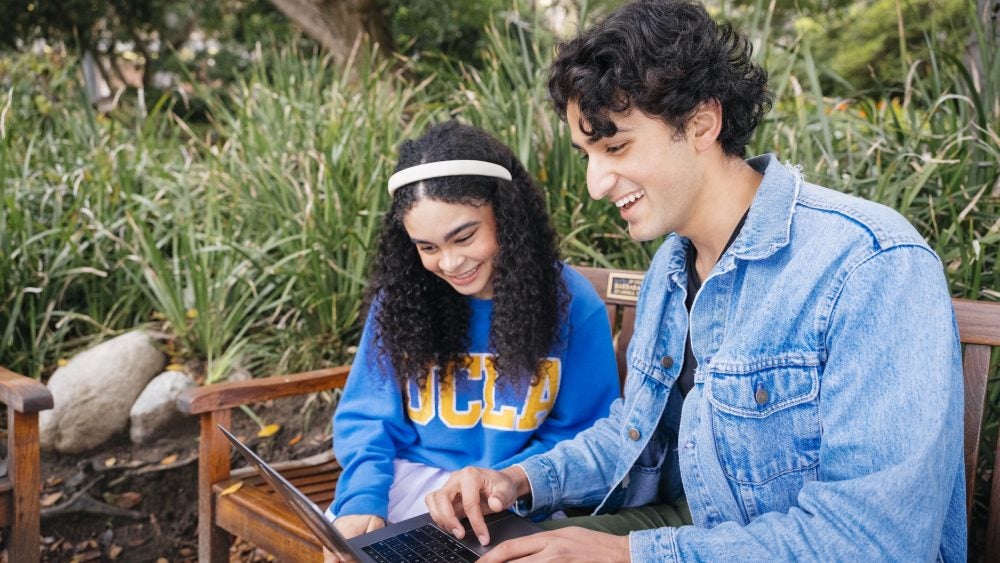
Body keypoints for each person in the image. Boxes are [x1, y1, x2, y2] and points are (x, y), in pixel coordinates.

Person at [424, 1, 966, 561]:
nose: (595, 183)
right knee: (472, 550)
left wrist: (627, 555)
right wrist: (519, 480)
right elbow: (638, 434)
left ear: (702, 123)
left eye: (616, 147)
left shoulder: (868, 264)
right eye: (587, 153)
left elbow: (874, 541)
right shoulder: (673, 266)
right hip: (701, 529)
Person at [325, 121, 620, 554]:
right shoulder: (400, 302)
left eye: (464, 236)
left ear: (505, 215)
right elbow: (368, 420)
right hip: (409, 478)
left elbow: (582, 433)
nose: (449, 262)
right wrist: (361, 499)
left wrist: (505, 482)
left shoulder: (572, 305)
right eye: (427, 247)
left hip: (515, 494)